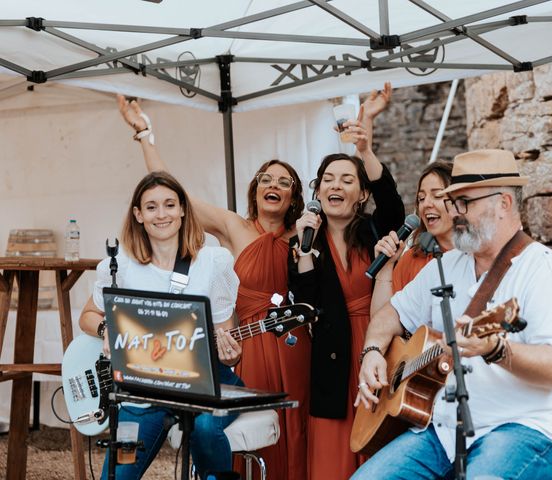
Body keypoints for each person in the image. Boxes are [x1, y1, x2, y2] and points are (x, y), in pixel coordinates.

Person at [117, 85, 392, 480]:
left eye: (284, 181)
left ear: (295, 195)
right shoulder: (234, 227)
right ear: (256, 188)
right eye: (266, 178)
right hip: (241, 343)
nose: (273, 185)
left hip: (293, 344)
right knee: (235, 433)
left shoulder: (305, 238)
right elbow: (176, 195)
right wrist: (145, 135)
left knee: (294, 433)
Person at [353, 149, 552, 480]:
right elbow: (388, 315)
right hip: (445, 432)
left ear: (504, 203)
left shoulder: (548, 273)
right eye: (454, 203)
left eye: (465, 202)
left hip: (527, 429)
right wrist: (373, 352)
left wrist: (497, 349)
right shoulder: (446, 265)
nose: (456, 213)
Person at [79, 171, 243, 480]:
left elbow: (230, 346)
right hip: (141, 387)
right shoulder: (121, 264)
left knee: (206, 428)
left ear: (183, 210)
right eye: (151, 207)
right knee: (118, 475)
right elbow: (88, 315)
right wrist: (107, 330)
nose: (162, 214)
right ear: (138, 215)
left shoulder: (213, 262)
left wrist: (230, 351)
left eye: (170, 204)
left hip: (205, 382)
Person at [288, 132, 405, 477]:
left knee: (378, 443)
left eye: (346, 179)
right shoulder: (303, 241)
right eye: (327, 180)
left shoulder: (374, 231)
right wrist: (305, 253)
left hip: (377, 346)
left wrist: (365, 150)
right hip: (330, 356)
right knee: (332, 454)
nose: (334, 186)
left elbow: (392, 203)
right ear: (317, 191)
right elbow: (305, 305)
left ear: (362, 193)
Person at [369, 160, 454, 315]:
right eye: (421, 198)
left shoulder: (477, 256)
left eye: (437, 195)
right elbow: (380, 322)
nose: (426, 204)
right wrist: (386, 268)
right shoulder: (412, 259)